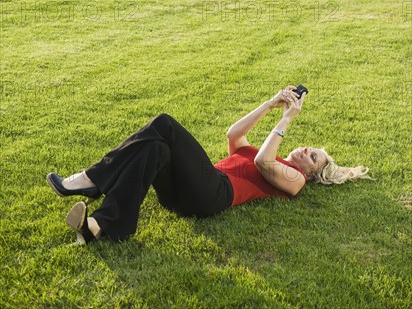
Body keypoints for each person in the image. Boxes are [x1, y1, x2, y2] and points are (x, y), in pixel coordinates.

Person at [47, 86, 374, 245]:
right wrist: (272, 103)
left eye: (313, 156)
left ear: (312, 172)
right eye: (311, 147)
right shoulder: (265, 153)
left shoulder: (295, 181)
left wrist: (288, 118)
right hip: (186, 194)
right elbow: (234, 134)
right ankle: (101, 226)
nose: (305, 149)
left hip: (212, 194)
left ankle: (90, 179)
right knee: (156, 150)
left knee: (165, 125)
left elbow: (263, 162)